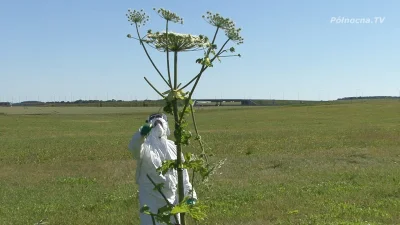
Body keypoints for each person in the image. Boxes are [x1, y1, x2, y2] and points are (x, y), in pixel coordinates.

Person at [128, 113, 197, 225]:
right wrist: (140, 134)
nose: (158, 124)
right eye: (155, 122)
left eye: (161, 121)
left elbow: (183, 177)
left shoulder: (174, 147)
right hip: (150, 200)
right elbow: (134, 149)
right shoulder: (145, 146)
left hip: (171, 200)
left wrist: (190, 195)